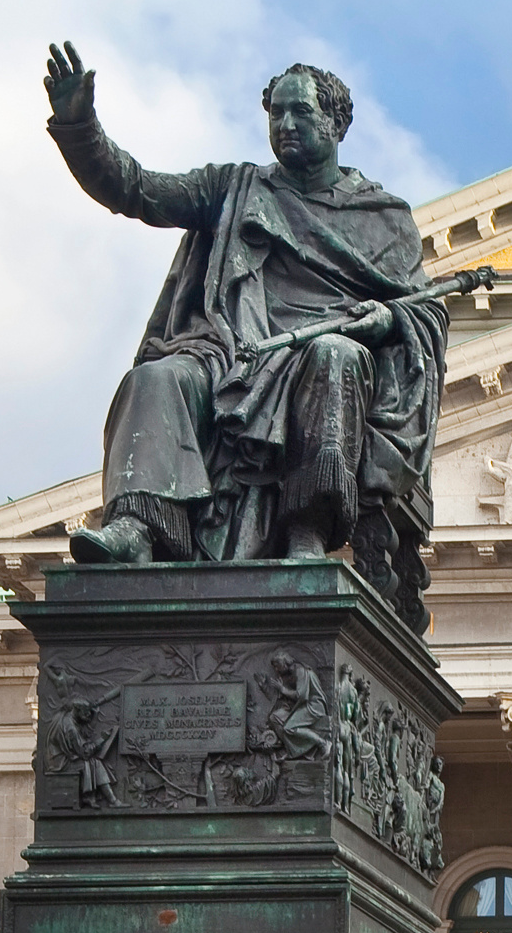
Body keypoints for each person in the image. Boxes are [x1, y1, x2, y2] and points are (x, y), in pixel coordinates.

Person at [44, 44, 452, 629]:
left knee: (333, 356)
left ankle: (307, 532)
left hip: (319, 356)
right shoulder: (234, 189)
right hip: (232, 353)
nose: (284, 126)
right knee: (158, 377)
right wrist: (79, 125)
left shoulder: (383, 217)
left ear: (335, 124)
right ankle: (137, 526)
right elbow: (134, 189)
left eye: (300, 115)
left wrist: (383, 321)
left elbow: (421, 314)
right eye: (276, 114)